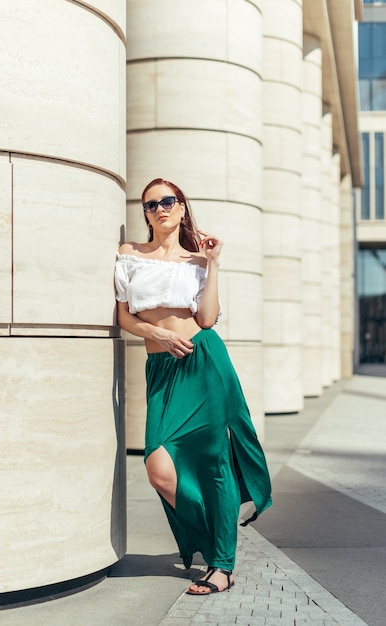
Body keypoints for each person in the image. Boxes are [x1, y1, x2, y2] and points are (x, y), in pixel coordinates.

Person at [114, 178, 272, 595]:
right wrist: (160, 335)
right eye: (151, 205)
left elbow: (206, 320)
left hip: (204, 364)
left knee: (214, 465)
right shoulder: (129, 256)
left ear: (182, 208)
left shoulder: (199, 262)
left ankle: (222, 564)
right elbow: (126, 317)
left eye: (169, 201)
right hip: (162, 369)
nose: (160, 209)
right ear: (145, 214)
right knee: (159, 467)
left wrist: (214, 262)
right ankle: (219, 542)